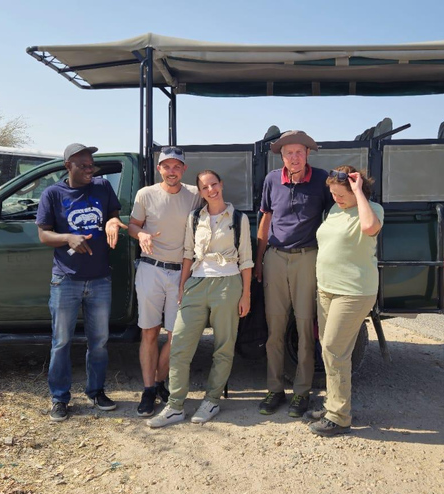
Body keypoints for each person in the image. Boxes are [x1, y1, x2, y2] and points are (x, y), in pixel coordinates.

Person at [147, 170, 253, 427]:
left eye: (213, 184)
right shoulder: (195, 217)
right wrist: (183, 286)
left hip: (228, 284)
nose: (210, 190)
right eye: (204, 187)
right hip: (197, 282)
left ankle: (212, 400)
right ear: (200, 192)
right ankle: (175, 406)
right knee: (180, 344)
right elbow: (187, 254)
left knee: (223, 346)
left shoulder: (238, 218)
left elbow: (246, 259)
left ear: (221, 185)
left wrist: (246, 294)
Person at [36, 143, 128, 422]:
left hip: (100, 278)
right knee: (61, 341)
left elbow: (113, 213)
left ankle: (96, 391)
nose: (90, 170)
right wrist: (68, 238)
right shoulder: (52, 194)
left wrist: (113, 222)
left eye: (92, 165)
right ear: (68, 166)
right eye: (84, 166)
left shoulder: (102, 187)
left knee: (99, 341)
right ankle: (59, 398)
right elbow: (43, 235)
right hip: (66, 279)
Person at [255, 130, 334, 417]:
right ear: (282, 156)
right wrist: (260, 259)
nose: (294, 158)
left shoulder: (321, 180)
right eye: (289, 153)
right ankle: (274, 389)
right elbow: (266, 218)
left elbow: (336, 215)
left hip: (307, 258)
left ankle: (302, 393)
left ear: (308, 154)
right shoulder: (272, 180)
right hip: (275, 258)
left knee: (304, 328)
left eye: (299, 152)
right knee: (274, 329)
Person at [309, 166, 383, 437]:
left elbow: (369, 227)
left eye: (341, 193)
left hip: (353, 291)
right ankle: (333, 404)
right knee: (331, 350)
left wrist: (358, 192)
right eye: (332, 193)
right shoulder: (335, 211)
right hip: (327, 289)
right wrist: (343, 198)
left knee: (333, 349)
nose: (336, 198)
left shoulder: (372, 209)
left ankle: (339, 417)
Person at [128, 147, 201, 417]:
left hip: (181, 273)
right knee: (149, 331)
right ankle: (149, 389)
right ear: (159, 169)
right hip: (151, 269)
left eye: (176, 166)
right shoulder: (145, 194)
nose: (171, 171)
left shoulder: (194, 194)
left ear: (184, 169)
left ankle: (160, 382)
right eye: (166, 166)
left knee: (175, 334)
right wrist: (141, 235)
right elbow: (133, 225)